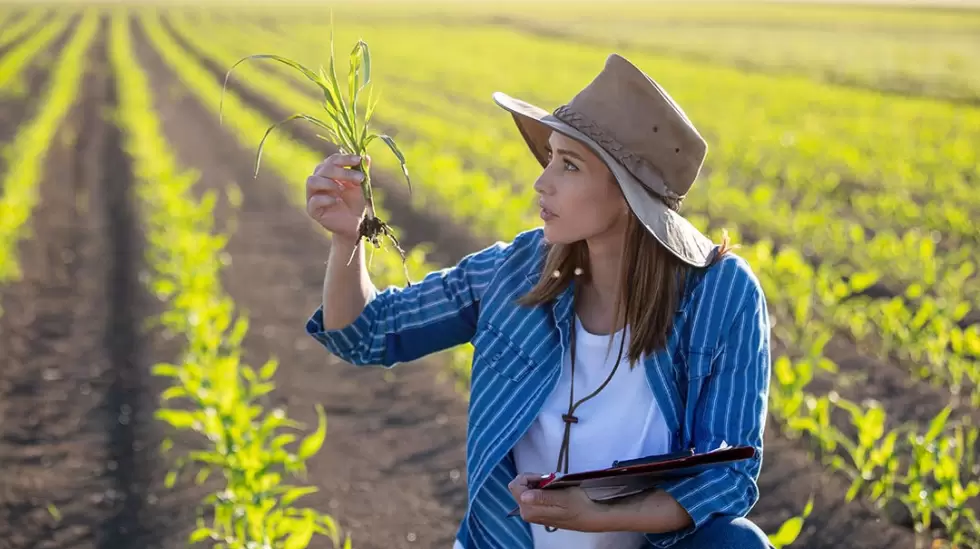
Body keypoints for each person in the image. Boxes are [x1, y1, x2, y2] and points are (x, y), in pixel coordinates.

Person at [302, 53, 774, 549]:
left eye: (568, 165)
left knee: (737, 543)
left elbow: (729, 479)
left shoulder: (722, 296)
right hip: (507, 541)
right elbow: (366, 333)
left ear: (630, 197)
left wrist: (597, 517)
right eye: (549, 157)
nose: (541, 181)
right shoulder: (516, 270)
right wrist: (347, 238)